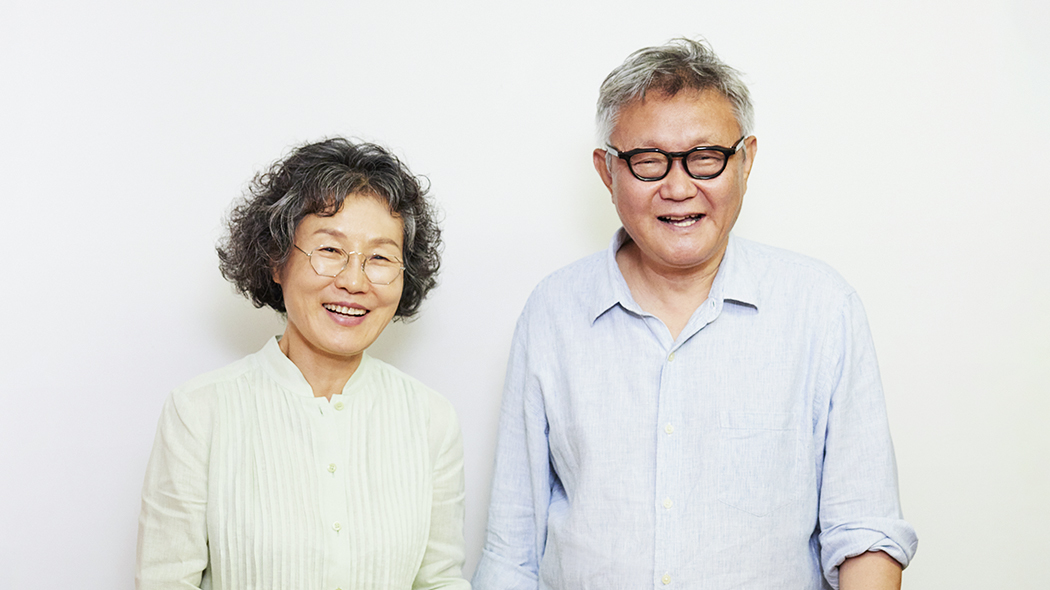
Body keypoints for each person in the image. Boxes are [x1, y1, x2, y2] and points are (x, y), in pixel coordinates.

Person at [473, 38, 918, 590]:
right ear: (608, 172)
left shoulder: (822, 309)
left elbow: (866, 534)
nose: (679, 188)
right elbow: (511, 550)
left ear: (746, 161)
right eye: (648, 161)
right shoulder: (552, 312)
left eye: (706, 158)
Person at [136, 138, 469, 590]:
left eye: (380, 257)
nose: (354, 281)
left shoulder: (431, 420)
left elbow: (441, 580)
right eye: (330, 250)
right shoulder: (199, 412)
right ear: (277, 260)